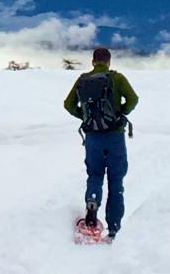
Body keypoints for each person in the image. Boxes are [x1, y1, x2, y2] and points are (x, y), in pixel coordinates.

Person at [63, 47, 139, 241]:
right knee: (116, 181)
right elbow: (133, 99)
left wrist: (86, 117)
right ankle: (113, 230)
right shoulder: (117, 78)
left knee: (95, 174)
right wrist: (119, 113)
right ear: (109, 61)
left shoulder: (82, 80)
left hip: (93, 138)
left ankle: (92, 206)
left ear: (93, 61)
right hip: (115, 137)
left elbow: (68, 104)